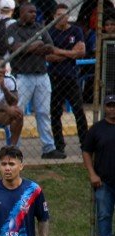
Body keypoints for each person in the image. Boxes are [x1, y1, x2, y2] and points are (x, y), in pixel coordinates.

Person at [9, 3, 64, 158]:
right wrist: (37, 45)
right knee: (17, 113)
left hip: (42, 75)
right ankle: (14, 148)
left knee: (43, 112)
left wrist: (30, 48)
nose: (34, 14)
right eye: (30, 12)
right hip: (22, 76)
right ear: (22, 12)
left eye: (35, 11)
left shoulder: (39, 27)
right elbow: (16, 48)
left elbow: (50, 47)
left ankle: (48, 148)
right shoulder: (13, 28)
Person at [47, 4, 88, 154]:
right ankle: (59, 146)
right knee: (55, 113)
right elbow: (48, 56)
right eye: (59, 15)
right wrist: (71, 53)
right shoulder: (50, 31)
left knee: (79, 111)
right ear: (54, 16)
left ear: (69, 16)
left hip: (71, 77)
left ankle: (85, 144)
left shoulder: (76, 30)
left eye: (65, 15)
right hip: (55, 77)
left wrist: (59, 51)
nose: (62, 18)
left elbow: (81, 52)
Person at [81, 94, 115, 236]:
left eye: (114, 105)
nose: (112, 109)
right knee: (104, 215)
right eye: (109, 105)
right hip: (104, 181)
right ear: (104, 108)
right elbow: (86, 151)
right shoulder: (96, 129)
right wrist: (92, 174)